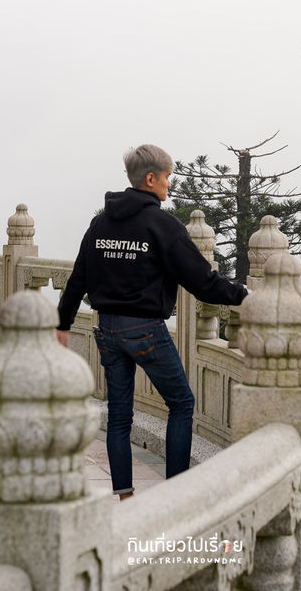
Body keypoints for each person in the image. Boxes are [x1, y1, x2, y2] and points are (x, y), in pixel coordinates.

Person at [56, 143, 247, 499]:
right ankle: (174, 495)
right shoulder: (162, 225)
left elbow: (78, 278)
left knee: (118, 417)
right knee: (182, 403)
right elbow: (203, 283)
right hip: (144, 330)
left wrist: (62, 324)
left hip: (108, 329)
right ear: (150, 178)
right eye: (167, 177)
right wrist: (243, 295)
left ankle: (126, 497)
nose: (170, 185)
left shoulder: (100, 223)